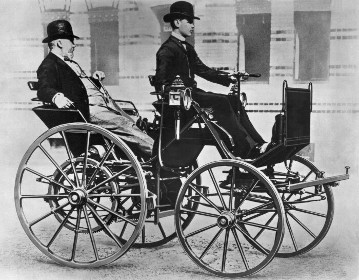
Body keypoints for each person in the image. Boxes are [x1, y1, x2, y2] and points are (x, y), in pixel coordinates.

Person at [155, 1, 270, 159]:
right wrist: (178, 94)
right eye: (189, 22)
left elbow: (203, 70)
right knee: (221, 101)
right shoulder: (167, 50)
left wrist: (228, 77)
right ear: (177, 22)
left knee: (233, 100)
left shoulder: (187, 48)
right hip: (183, 102)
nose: (193, 26)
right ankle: (242, 144)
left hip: (194, 96)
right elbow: (161, 84)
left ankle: (258, 143)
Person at [37, 19, 154, 159]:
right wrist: (56, 97)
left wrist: (94, 81)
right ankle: (159, 155)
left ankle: (142, 158)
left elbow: (77, 86)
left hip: (102, 106)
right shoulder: (49, 64)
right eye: (71, 41)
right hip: (87, 111)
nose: (74, 45)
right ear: (60, 43)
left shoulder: (69, 63)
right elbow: (43, 89)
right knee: (124, 124)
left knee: (136, 121)